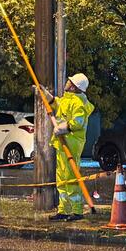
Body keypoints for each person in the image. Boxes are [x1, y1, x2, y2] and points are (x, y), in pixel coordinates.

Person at [37, 73, 95, 221]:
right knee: (61, 179)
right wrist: (46, 95)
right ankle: (64, 210)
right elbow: (57, 104)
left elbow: (78, 122)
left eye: (70, 81)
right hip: (63, 143)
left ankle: (76, 211)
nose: (67, 82)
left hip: (72, 143)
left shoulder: (78, 103)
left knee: (70, 179)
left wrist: (63, 128)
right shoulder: (68, 99)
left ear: (74, 86)